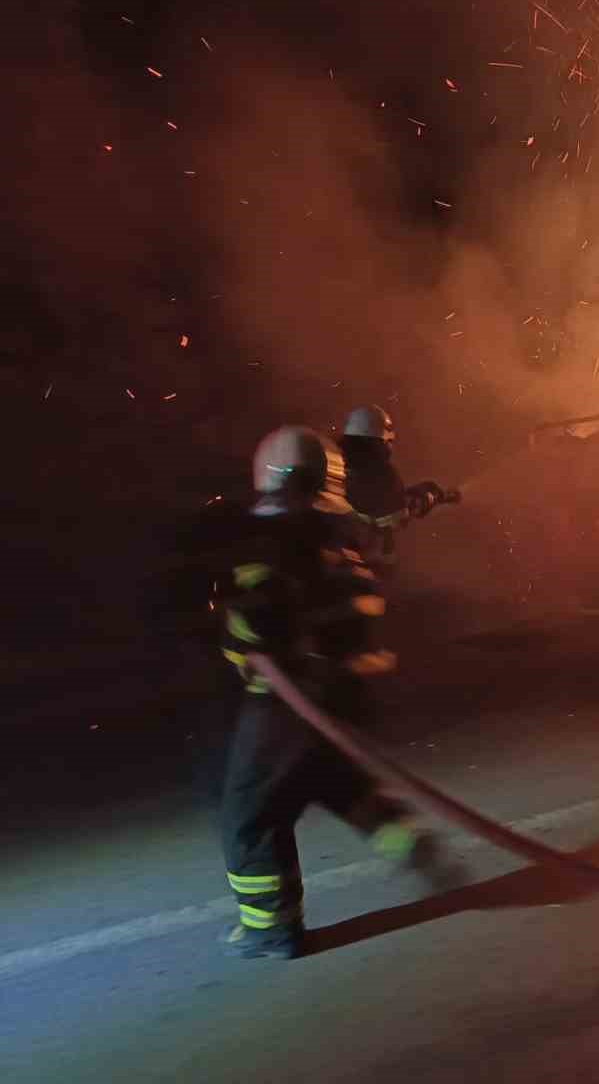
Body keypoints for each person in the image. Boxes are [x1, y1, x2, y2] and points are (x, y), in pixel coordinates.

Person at [216, 425, 445, 960]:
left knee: (249, 815)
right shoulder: (340, 539)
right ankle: (405, 839)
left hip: (288, 705)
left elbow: (253, 622)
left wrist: (240, 644)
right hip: (344, 698)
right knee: (333, 780)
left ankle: (270, 929)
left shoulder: (272, 540)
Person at [339, 405, 455, 570]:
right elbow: (394, 519)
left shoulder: (336, 462)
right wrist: (425, 500)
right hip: (353, 561)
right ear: (383, 440)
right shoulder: (383, 474)